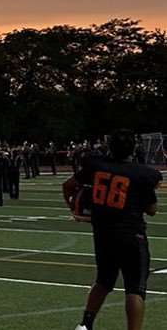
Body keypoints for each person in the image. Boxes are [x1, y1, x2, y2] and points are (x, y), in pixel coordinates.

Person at [64, 129, 159, 330]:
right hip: (131, 234)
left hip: (103, 233)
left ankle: (85, 325)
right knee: (135, 288)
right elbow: (152, 210)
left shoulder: (96, 166)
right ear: (132, 148)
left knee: (104, 280)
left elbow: (68, 186)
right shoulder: (140, 174)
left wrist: (74, 209)